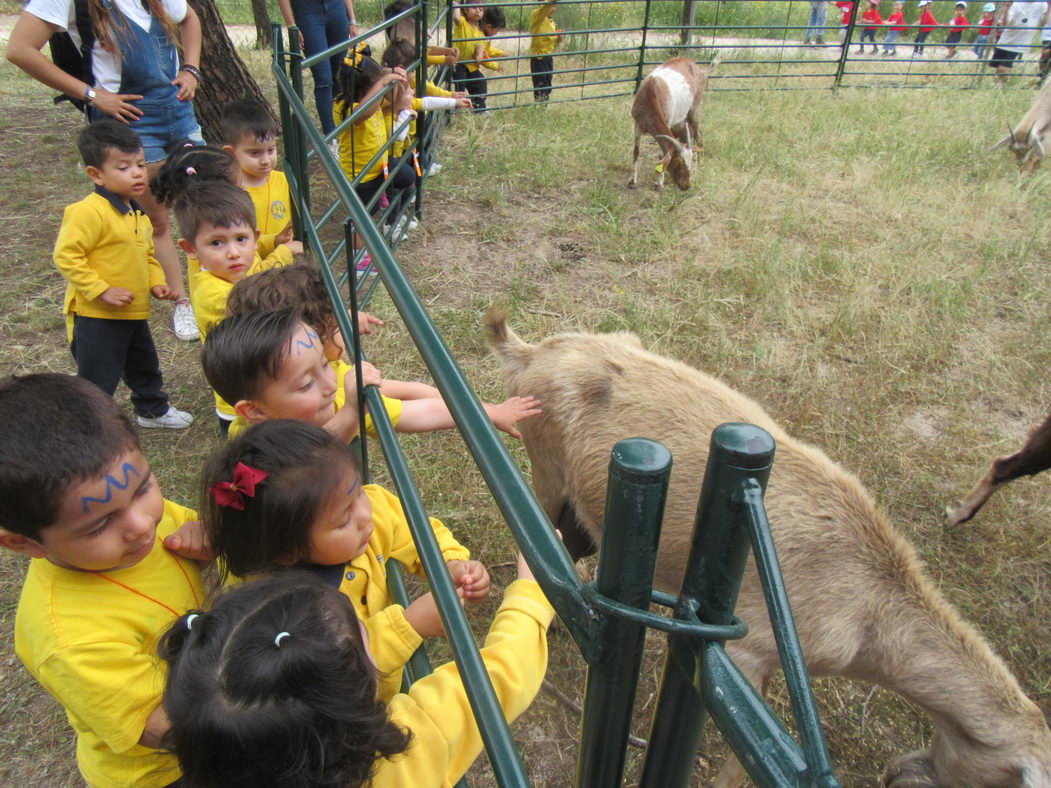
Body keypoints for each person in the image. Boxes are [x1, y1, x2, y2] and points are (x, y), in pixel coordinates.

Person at [159, 553, 554, 786]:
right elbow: (502, 672)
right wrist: (532, 586)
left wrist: (410, 624)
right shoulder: (410, 747)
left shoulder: (224, 751)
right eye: (365, 633)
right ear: (355, 691)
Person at [0, 373, 207, 787]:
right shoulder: (70, 639)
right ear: (24, 543)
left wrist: (213, 541)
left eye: (144, 487)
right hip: (167, 772)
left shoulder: (138, 514)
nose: (142, 525)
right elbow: (161, 729)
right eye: (99, 526)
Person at [198, 419, 491, 700]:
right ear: (288, 552)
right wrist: (411, 625)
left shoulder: (370, 508)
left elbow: (416, 534)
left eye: (359, 492)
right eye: (342, 521)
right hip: (355, 718)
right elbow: (337, 668)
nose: (366, 516)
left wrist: (449, 564)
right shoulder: (285, 611)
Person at [7, 0, 205, 342]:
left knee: (205, 203)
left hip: (179, 112)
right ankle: (182, 303)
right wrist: (91, 95)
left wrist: (191, 69)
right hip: (131, 120)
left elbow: (189, 18)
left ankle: (218, 291)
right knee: (156, 219)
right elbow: (20, 49)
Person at [223, 260, 541, 439]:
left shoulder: (313, 373)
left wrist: (477, 407)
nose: (346, 331)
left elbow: (411, 390)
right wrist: (493, 413)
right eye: (339, 327)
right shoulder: (329, 395)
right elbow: (421, 413)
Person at [54, 121, 193, 430]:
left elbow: (146, 256)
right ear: (96, 174)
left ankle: (153, 410)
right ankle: (90, 426)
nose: (137, 173)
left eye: (141, 164)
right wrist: (101, 290)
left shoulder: (135, 213)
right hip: (96, 315)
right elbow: (66, 256)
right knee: (98, 375)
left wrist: (156, 282)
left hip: (133, 312)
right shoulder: (87, 212)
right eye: (124, 167)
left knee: (144, 365)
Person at [172, 181, 301, 433]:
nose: (233, 253)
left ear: (254, 237)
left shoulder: (236, 269)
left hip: (264, 381)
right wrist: (283, 252)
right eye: (217, 243)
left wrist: (273, 241)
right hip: (240, 398)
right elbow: (261, 293)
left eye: (241, 238)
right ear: (191, 249)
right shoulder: (215, 292)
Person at [276, 0, 361, 148]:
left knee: (340, 74)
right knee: (323, 79)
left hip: (336, 9)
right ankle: (331, 141)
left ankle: (343, 131)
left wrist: (352, 20)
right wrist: (292, 26)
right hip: (308, 13)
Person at [220, 99, 292, 239]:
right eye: (255, 153)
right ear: (231, 153)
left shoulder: (285, 181)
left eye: (271, 150)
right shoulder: (229, 194)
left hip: (287, 258)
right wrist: (274, 241)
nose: (266, 160)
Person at [452, 0, 505, 112]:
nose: (477, 11)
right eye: (474, 8)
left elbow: (480, 46)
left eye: (481, 9)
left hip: (470, 65)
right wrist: (456, 6)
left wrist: (480, 53)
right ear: (466, 10)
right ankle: (457, 108)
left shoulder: (479, 30)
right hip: (458, 64)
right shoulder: (463, 23)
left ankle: (479, 108)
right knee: (460, 87)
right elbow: (456, 18)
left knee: (480, 83)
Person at [989, 0, 1051, 83]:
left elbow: (1044, 22)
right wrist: (1006, 9)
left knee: (1002, 69)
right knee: (997, 68)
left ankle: (1004, 87)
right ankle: (1001, 86)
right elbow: (1005, 23)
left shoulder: (1042, 4)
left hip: (1019, 44)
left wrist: (1048, 8)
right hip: (1005, 40)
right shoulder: (1016, 4)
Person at [529, 1, 559, 101]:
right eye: (552, 3)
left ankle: (544, 101)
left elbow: (549, 40)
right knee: (540, 82)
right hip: (539, 57)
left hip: (548, 56)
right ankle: (541, 104)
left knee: (548, 80)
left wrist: (558, 37)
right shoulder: (537, 15)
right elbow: (546, 7)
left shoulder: (550, 21)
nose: (554, 5)